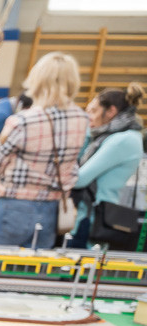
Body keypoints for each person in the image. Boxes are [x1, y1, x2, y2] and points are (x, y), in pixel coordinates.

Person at [0, 51, 89, 248]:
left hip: (14, 207)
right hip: (53, 209)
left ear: (38, 80)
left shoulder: (22, 121)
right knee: (33, 265)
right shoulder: (82, 119)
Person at [70, 83, 144, 247]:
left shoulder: (124, 139)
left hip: (93, 219)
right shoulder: (107, 135)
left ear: (111, 111)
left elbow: (79, 179)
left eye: (94, 111)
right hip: (85, 215)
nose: (89, 116)